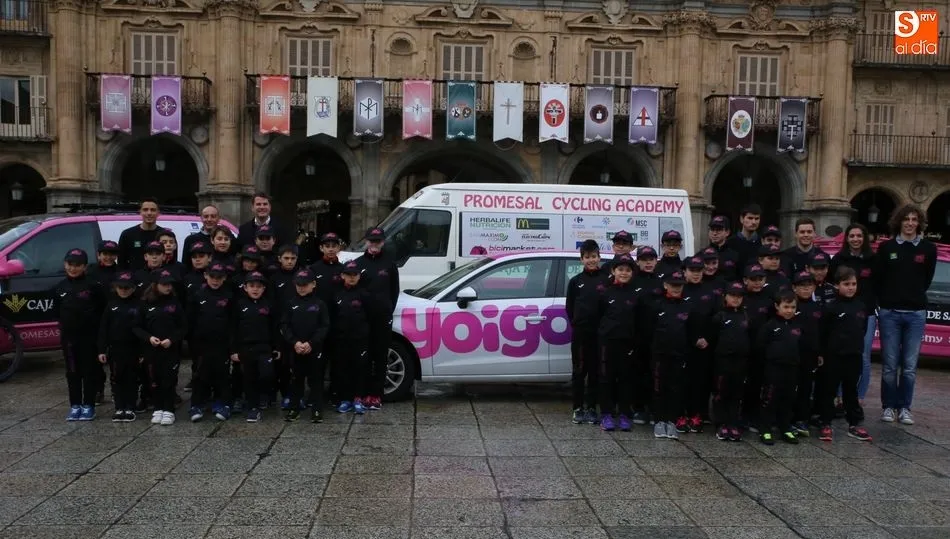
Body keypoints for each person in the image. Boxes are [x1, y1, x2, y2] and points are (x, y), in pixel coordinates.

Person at [875, 204, 937, 426]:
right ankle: (889, 407)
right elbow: (879, 278)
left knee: (909, 367)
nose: (910, 223)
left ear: (919, 223)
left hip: (916, 314)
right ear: (898, 222)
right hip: (890, 313)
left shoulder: (929, 249)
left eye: (914, 219)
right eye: (906, 219)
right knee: (890, 365)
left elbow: (926, 280)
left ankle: (905, 408)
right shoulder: (886, 248)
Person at [648, 271, 707, 439]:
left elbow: (693, 331)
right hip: (659, 354)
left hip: (679, 355)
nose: (676, 288)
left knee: (675, 389)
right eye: (673, 285)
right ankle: (659, 421)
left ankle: (671, 421)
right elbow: (648, 330)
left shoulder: (688, 306)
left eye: (679, 285)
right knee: (659, 388)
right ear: (665, 285)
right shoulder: (657, 305)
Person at [818, 266, 873, 442]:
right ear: (837, 285)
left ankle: (854, 424)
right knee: (829, 390)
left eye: (853, 284)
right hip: (834, 356)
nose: (850, 287)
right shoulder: (831, 308)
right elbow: (823, 332)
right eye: (846, 284)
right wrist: (822, 353)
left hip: (853, 355)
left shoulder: (860, 306)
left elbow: (862, 329)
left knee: (851, 390)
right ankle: (825, 422)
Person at [56, 248, 106, 421]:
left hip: (89, 338)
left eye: (78, 265)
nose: (73, 268)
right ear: (65, 264)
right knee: (72, 372)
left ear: (85, 266)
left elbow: (103, 310)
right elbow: (57, 312)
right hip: (69, 339)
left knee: (89, 372)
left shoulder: (93, 286)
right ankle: (75, 405)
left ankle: (89, 405)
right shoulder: (60, 287)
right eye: (70, 264)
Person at [830, 223, 877, 405]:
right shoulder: (838, 260)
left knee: (863, 355)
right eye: (852, 236)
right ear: (846, 238)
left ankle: (860, 396)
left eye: (859, 236)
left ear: (864, 238)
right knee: (841, 354)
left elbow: (878, 283)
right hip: (841, 312)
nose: (856, 239)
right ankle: (840, 395)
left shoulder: (873, 259)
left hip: (866, 313)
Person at [133, 269, 186, 426]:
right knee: (153, 380)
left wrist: (172, 339)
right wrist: (149, 338)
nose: (168, 287)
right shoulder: (145, 303)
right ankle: (158, 407)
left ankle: (169, 409)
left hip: (170, 349)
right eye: (164, 284)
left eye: (169, 284)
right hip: (151, 350)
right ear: (155, 285)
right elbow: (136, 327)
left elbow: (183, 327)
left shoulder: (175, 303)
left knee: (168, 380)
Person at [355, 227, 400, 410]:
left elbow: (394, 291)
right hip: (363, 319)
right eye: (371, 241)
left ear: (383, 242)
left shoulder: (389, 264)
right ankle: (363, 392)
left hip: (382, 318)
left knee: (380, 357)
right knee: (363, 356)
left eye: (378, 241)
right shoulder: (357, 263)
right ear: (366, 241)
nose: (374, 244)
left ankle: (376, 395)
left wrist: (388, 310)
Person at [566, 239, 608, 425]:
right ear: (581, 259)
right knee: (579, 371)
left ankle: (591, 407)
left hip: (600, 334)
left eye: (594, 257)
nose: (591, 260)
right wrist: (578, 324)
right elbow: (570, 308)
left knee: (595, 372)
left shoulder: (606, 280)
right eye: (587, 257)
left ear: (599, 257)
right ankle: (577, 407)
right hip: (581, 334)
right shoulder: (576, 282)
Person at [279, 268, 330, 423]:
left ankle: (317, 410)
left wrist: (311, 343)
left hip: (314, 349)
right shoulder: (290, 304)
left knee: (316, 381)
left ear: (313, 284)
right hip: (296, 349)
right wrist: (294, 342)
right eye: (299, 284)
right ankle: (294, 409)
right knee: (296, 380)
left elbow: (324, 326)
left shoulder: (320, 304)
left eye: (305, 284)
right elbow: (284, 325)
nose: (301, 287)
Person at [187, 263, 235, 422]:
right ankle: (196, 405)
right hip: (201, 344)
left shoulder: (229, 295)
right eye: (212, 277)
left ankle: (225, 404)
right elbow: (190, 320)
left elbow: (233, 321)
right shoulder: (197, 294)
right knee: (200, 374)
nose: (215, 280)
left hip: (222, 344)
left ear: (224, 278)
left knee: (222, 375)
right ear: (206, 276)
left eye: (219, 277)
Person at [231, 270, 281, 422]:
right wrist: (233, 350)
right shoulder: (239, 305)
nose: (255, 289)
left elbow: (274, 327)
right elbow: (233, 329)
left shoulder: (269, 305)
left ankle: (264, 395)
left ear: (264, 288)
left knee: (267, 374)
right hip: (245, 348)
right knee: (249, 377)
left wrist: (277, 347)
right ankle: (253, 408)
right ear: (245, 287)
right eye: (251, 286)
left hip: (264, 347)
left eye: (258, 286)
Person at [597, 254, 639, 432]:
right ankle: (606, 414)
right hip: (607, 343)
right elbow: (598, 317)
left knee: (626, 380)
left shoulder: (635, 294)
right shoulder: (604, 292)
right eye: (620, 269)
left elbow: (639, 320)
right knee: (606, 379)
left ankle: (623, 414)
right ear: (613, 271)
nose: (624, 273)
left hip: (627, 343)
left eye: (627, 270)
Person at [756, 289, 803, 445]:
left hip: (792, 368)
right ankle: (765, 429)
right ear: (777, 306)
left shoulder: (798, 326)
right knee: (769, 399)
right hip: (773, 369)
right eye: (786, 307)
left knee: (788, 399)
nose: (789, 311)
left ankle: (785, 428)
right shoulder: (770, 326)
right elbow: (761, 347)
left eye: (793, 307)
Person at [679, 256, 717, 433]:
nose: (696, 274)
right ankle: (681, 414)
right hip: (684, 344)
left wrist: (706, 338)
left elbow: (716, 319)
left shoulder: (710, 292)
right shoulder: (679, 290)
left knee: (700, 382)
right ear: (684, 271)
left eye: (699, 271)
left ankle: (697, 414)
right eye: (692, 271)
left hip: (704, 345)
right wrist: (691, 338)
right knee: (682, 381)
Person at [97, 271, 141, 422]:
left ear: (133, 288)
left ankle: (130, 407)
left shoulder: (139, 305)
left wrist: (143, 351)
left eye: (127, 287)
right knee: (116, 378)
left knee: (132, 378)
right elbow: (103, 329)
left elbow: (143, 330)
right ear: (115, 288)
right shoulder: (111, 305)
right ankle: (119, 407)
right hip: (115, 350)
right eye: (120, 287)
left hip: (133, 349)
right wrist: (101, 349)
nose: (123, 290)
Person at [333, 261, 376, 414]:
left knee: (360, 368)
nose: (351, 278)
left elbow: (371, 316)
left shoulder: (365, 295)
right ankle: (345, 399)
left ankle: (358, 398)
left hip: (360, 339)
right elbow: (333, 317)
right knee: (342, 369)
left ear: (359, 276)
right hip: (342, 339)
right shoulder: (337, 295)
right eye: (348, 275)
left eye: (355, 275)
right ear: (342, 276)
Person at [710, 282, 749, 442]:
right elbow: (712, 339)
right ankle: (721, 424)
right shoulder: (719, 316)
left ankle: (733, 423)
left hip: (740, 361)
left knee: (736, 393)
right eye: (733, 295)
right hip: (722, 361)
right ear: (725, 296)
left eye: (739, 296)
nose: (736, 299)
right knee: (721, 393)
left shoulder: (745, 316)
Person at [310, 232, 345, 405]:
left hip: (338, 322)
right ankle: (315, 393)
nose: (331, 249)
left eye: (334, 246)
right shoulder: (314, 269)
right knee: (318, 361)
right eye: (327, 246)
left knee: (337, 360)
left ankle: (335, 393)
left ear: (339, 248)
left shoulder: (343, 270)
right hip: (318, 323)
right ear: (321, 248)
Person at [630, 245, 662, 424]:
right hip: (637, 337)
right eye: (644, 259)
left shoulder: (662, 281)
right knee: (637, 373)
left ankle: (653, 408)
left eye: (651, 259)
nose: (648, 262)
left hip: (656, 336)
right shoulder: (632, 281)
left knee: (654, 373)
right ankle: (639, 408)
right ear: (638, 262)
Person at [790, 270, 821, 436]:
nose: (805, 289)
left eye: (809, 285)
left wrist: (820, 353)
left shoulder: (818, 307)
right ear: (794, 287)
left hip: (810, 353)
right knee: (789, 386)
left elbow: (822, 332)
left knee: (806, 386)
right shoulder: (790, 305)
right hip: (792, 352)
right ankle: (786, 417)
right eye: (802, 286)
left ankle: (802, 419)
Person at [183, 205, 234, 271]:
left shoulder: (229, 238)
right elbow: (186, 266)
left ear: (219, 218)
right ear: (201, 218)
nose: (209, 219)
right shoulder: (190, 240)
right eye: (206, 216)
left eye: (213, 216)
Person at [119, 198, 162, 271]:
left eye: (153, 210)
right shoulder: (127, 234)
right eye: (145, 210)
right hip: (134, 280)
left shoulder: (164, 235)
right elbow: (121, 263)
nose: (149, 213)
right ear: (140, 212)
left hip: (159, 280)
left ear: (158, 213)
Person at [726, 203, 762, 271]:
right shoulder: (730, 243)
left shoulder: (763, 243)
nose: (754, 222)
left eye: (757, 218)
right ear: (741, 219)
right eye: (750, 218)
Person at [706, 216, 740, 282]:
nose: (715, 233)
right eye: (712, 230)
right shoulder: (702, 254)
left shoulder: (735, 255)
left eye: (718, 230)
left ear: (727, 232)